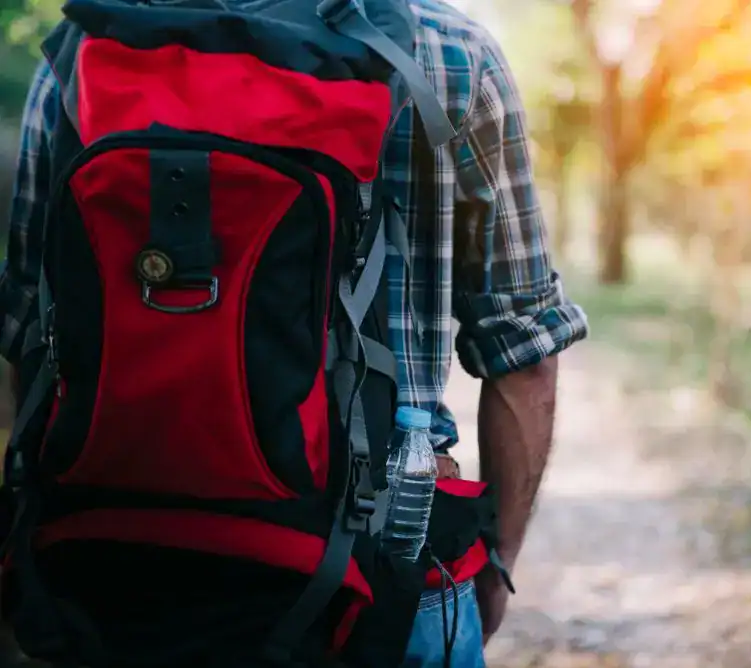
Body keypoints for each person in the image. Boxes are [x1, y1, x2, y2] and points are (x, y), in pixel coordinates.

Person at [0, 0, 588, 665]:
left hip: (117, 566)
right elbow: (524, 352)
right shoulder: (451, 54)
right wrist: (497, 564)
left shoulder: (90, 48)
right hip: (384, 573)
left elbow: (26, 329)